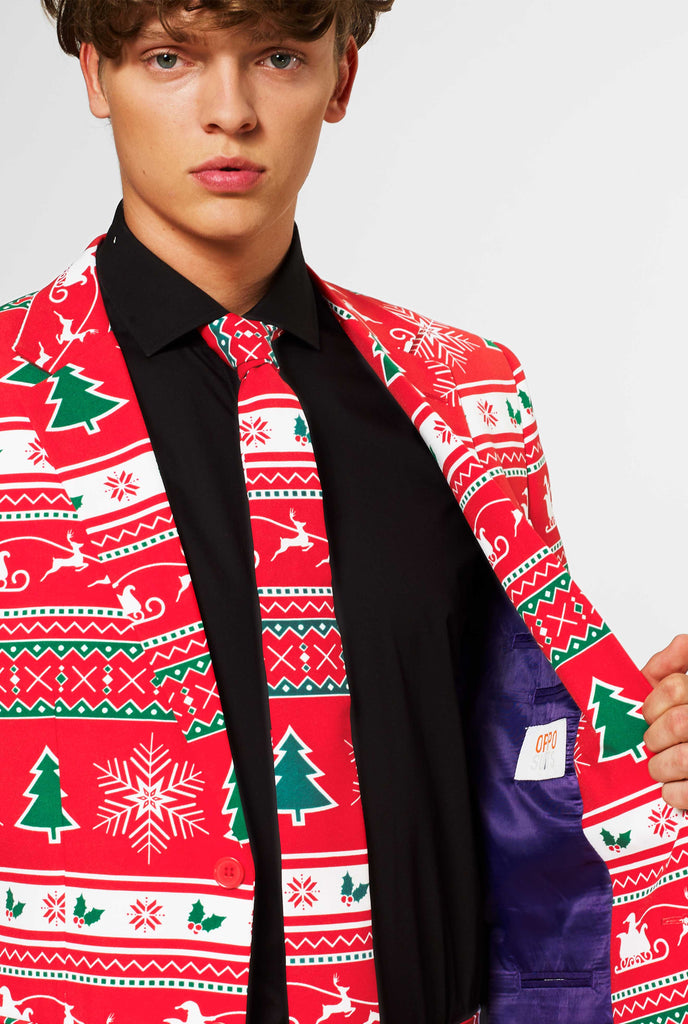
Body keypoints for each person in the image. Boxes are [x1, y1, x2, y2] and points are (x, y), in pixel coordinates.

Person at [0, 2, 687, 1023]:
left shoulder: (466, 396)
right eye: (168, 58)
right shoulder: (12, 395)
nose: (228, 112)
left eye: (277, 56)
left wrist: (652, 747)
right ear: (96, 80)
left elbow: (512, 746)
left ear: (342, 77)